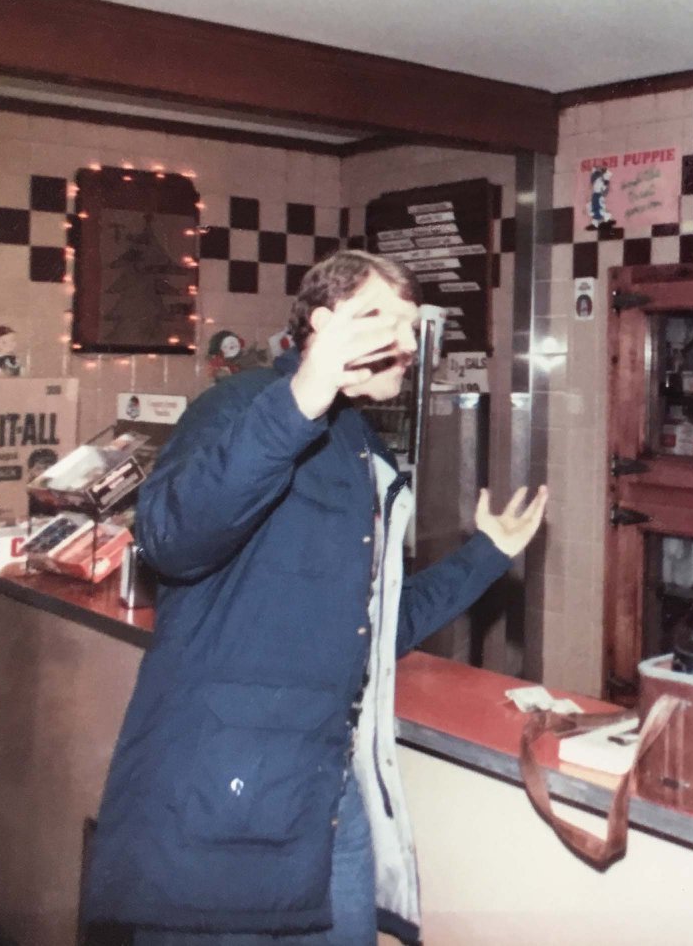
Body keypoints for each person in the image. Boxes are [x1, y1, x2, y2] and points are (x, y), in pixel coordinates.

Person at [83, 251, 548, 944]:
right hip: (220, 797)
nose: (403, 340)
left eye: (410, 324)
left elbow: (372, 626)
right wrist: (301, 396)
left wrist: (486, 555)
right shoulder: (237, 405)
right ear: (321, 325)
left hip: (326, 793)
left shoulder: (363, 447)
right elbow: (171, 537)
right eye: (377, 319)